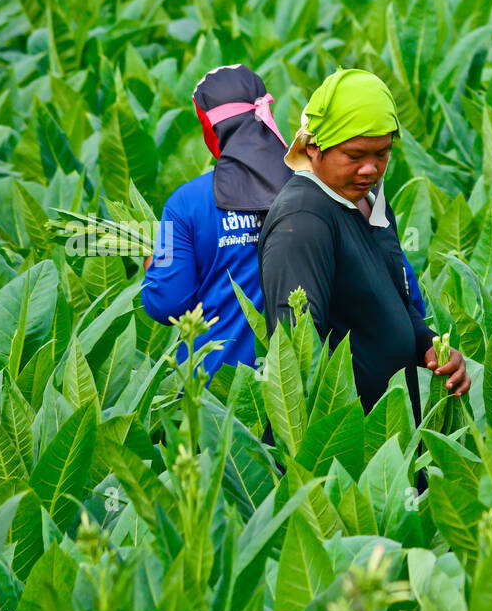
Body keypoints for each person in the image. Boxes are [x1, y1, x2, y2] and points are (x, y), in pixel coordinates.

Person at [141, 64, 430, 377]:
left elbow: (167, 302)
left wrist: (154, 264)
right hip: (311, 394)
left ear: (209, 129)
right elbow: (404, 295)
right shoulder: (328, 188)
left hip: (215, 389)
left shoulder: (185, 204)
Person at [258, 67, 469, 428]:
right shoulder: (304, 220)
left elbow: (390, 306)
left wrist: (429, 344)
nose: (370, 169)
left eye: (382, 154)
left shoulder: (369, 203)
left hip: (390, 436)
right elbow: (298, 358)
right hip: (345, 446)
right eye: (355, 156)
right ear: (313, 147)